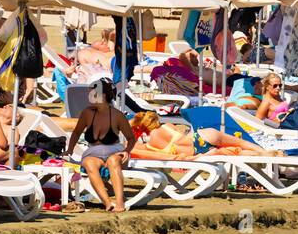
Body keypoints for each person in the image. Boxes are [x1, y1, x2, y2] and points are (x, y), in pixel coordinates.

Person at [66, 80, 136, 212]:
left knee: (113, 160)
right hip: (93, 152)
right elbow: (76, 133)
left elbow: (131, 138)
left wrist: (127, 151)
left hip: (115, 151)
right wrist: (69, 149)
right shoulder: (87, 113)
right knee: (88, 163)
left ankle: (120, 202)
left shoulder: (117, 115)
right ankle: (107, 202)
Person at [129, 111, 271, 161]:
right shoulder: (167, 126)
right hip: (203, 135)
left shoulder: (150, 144)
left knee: (237, 154)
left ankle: (265, 155)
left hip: (200, 152)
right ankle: (266, 152)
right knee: (239, 144)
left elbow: (135, 149)